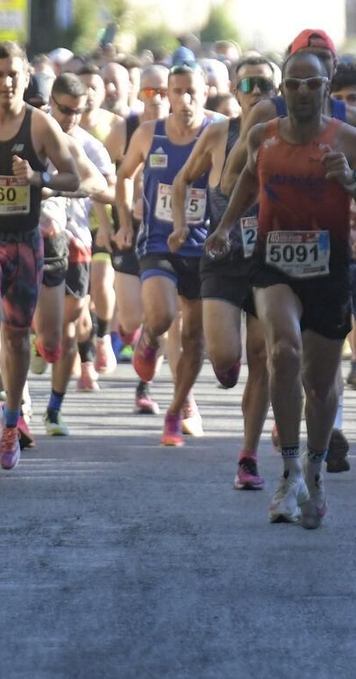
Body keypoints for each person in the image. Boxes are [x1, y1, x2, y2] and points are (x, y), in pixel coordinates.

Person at [204, 50, 356, 528]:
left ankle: (314, 465)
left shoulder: (347, 140)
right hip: (274, 265)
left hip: (327, 269)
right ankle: (289, 472)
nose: (304, 92)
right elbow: (246, 181)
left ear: (326, 89)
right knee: (282, 352)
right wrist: (224, 228)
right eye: (295, 85)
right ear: (282, 91)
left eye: (313, 84)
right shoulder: (263, 137)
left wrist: (349, 180)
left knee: (321, 383)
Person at [0, 42, 107, 471]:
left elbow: (73, 174)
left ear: (26, 77)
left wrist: (37, 177)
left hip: (26, 240)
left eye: (14, 74)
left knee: (17, 336)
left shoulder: (41, 126)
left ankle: (12, 420)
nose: (6, 82)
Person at [170, 55, 279, 488]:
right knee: (224, 358)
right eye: (248, 84)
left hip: (269, 261)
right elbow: (182, 181)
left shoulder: (285, 137)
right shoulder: (219, 133)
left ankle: (248, 456)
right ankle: (225, 368)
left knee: (262, 356)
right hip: (221, 257)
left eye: (266, 85)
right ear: (234, 91)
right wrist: (181, 226)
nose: (257, 92)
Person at [117, 63, 223, 446]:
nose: (184, 99)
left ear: (206, 92)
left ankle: (177, 411)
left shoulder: (219, 133)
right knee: (162, 316)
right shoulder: (150, 133)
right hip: (159, 242)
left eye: (191, 91)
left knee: (194, 337)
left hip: (201, 245)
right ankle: (148, 338)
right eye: (176, 92)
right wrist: (126, 218)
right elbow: (125, 174)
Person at [40, 75, 117, 432]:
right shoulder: (34, 131)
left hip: (77, 239)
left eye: (77, 110)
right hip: (36, 234)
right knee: (32, 319)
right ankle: (23, 400)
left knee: (71, 320)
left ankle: (54, 408)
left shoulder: (91, 145)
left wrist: (63, 188)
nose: (70, 117)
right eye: (63, 109)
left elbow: (107, 190)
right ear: (50, 103)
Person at [103, 63, 169, 414]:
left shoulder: (185, 130)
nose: (157, 99)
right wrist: (112, 222)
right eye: (149, 91)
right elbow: (98, 175)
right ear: (138, 92)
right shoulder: (124, 129)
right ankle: (132, 335)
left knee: (156, 318)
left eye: (163, 92)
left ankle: (145, 387)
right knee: (129, 319)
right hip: (129, 232)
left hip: (165, 233)